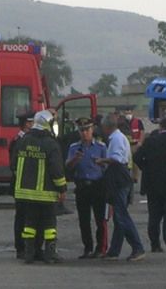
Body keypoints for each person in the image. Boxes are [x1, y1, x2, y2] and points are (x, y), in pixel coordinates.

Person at [13, 110, 68, 264]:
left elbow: (14, 165)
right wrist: (62, 188)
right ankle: (50, 254)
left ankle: (29, 254)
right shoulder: (51, 144)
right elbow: (56, 169)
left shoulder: (23, 141)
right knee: (49, 225)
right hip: (45, 194)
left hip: (25, 194)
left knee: (29, 224)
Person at [96, 114, 146, 261]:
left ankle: (138, 247)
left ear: (107, 127)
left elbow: (117, 158)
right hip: (122, 177)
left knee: (121, 215)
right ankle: (114, 250)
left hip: (119, 177)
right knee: (119, 218)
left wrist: (102, 160)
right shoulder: (119, 137)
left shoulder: (116, 139)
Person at [133, 117, 166, 253]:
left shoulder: (150, 142)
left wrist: (146, 168)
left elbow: (136, 157)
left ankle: (155, 245)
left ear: (160, 127)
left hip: (153, 184)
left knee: (154, 216)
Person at [66, 117, 109, 258]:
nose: (84, 133)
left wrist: (102, 163)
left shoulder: (101, 147)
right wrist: (75, 160)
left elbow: (107, 166)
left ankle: (100, 248)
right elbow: (68, 166)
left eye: (87, 130)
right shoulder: (74, 148)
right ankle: (88, 247)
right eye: (81, 130)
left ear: (92, 130)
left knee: (99, 219)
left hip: (98, 186)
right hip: (82, 186)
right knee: (84, 220)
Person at [10, 111, 34, 259]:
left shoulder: (22, 139)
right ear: (27, 124)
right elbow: (15, 164)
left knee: (24, 216)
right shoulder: (21, 140)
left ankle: (24, 246)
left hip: (22, 183)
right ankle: (21, 247)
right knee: (22, 217)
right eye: (32, 123)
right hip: (21, 184)